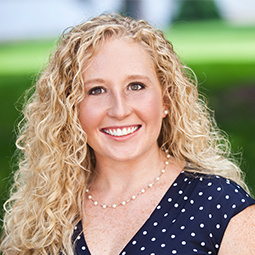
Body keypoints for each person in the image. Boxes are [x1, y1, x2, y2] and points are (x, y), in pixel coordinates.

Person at [1, 14, 255, 255]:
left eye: (136, 86)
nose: (120, 110)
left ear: (166, 100)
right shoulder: (44, 212)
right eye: (96, 90)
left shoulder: (221, 206)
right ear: (69, 108)